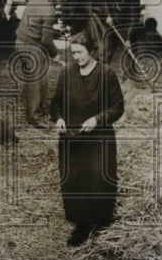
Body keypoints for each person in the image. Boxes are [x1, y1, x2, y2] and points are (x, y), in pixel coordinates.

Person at [49, 30, 125, 246]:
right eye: (73, 53)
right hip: (71, 138)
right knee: (74, 180)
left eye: (80, 52)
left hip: (98, 138)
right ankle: (81, 226)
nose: (76, 57)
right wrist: (59, 119)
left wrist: (97, 119)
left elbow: (118, 107)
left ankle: (101, 223)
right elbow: (54, 103)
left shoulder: (106, 74)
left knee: (98, 179)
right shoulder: (66, 74)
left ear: (91, 51)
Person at [14, 0, 72, 127]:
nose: (63, 0)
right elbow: (46, 40)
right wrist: (56, 55)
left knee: (32, 77)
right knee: (39, 80)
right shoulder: (49, 10)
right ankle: (35, 117)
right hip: (30, 45)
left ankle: (30, 108)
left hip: (19, 40)